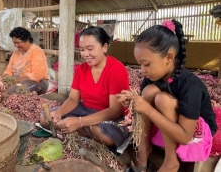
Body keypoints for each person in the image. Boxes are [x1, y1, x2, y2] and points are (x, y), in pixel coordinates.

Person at [117, 20, 217, 172]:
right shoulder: (151, 78)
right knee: (150, 91)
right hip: (172, 122)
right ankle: (143, 151)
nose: (142, 70)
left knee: (162, 99)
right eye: (140, 64)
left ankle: (171, 162)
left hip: (196, 133)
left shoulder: (191, 86)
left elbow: (184, 136)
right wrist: (132, 101)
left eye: (146, 64)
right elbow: (144, 106)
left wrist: (148, 110)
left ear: (169, 57)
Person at [40, 26, 129, 148]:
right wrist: (59, 112)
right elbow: (73, 99)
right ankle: (84, 129)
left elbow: (114, 110)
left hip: (108, 115)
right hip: (84, 109)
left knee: (106, 136)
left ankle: (79, 127)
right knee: (45, 118)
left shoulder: (117, 70)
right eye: (81, 50)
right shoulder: (81, 70)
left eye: (90, 49)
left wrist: (79, 121)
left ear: (105, 47)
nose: (85, 54)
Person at [0, 27, 49, 105]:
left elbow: (37, 75)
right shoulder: (15, 53)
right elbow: (9, 70)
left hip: (38, 83)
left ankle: (4, 96)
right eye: (14, 43)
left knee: (27, 84)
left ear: (27, 40)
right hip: (17, 80)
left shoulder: (37, 51)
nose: (16, 45)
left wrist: (14, 81)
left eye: (18, 42)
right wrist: (4, 78)